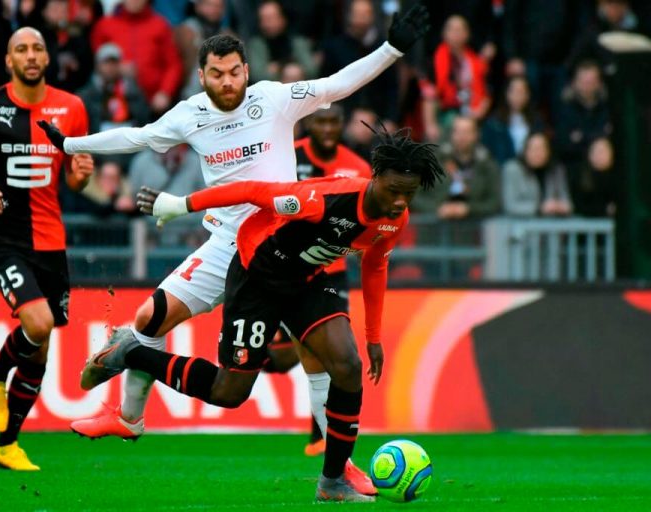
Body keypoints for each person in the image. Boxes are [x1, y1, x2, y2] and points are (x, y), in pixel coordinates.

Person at [38, 4, 429, 494]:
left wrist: (391, 48)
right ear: (201, 76)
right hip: (232, 241)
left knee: (326, 358)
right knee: (150, 318)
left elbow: (338, 84)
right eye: (217, 74)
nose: (228, 82)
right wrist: (72, 146)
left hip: (294, 231)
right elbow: (135, 137)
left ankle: (340, 468)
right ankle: (129, 418)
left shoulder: (275, 99)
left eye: (235, 72)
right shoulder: (189, 115)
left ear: (248, 70)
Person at [85, 128, 443, 502]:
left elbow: (374, 268)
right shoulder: (322, 199)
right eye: (393, 191)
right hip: (256, 278)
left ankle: (333, 481)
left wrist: (373, 338)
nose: (400, 201)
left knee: (348, 366)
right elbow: (253, 192)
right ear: (375, 179)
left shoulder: (393, 219)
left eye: (409, 193)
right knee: (229, 392)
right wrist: (182, 205)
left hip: (304, 281)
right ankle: (131, 351)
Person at [0, 27, 94, 471]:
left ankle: (7, 444)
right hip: (3, 236)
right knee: (39, 322)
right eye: (22, 49)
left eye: (38, 48)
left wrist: (81, 176)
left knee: (39, 349)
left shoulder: (73, 108)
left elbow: (74, 177)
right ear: (8, 61)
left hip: (51, 238)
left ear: (48, 58)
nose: (31, 55)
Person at [269, 104, 372, 457]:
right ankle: (241, 364)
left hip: (331, 274)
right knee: (283, 359)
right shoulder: (288, 157)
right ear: (310, 123)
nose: (328, 128)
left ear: (341, 125)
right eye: (321, 121)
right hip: (284, 269)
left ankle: (319, 437)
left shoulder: (358, 167)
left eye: (333, 122)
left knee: (332, 355)